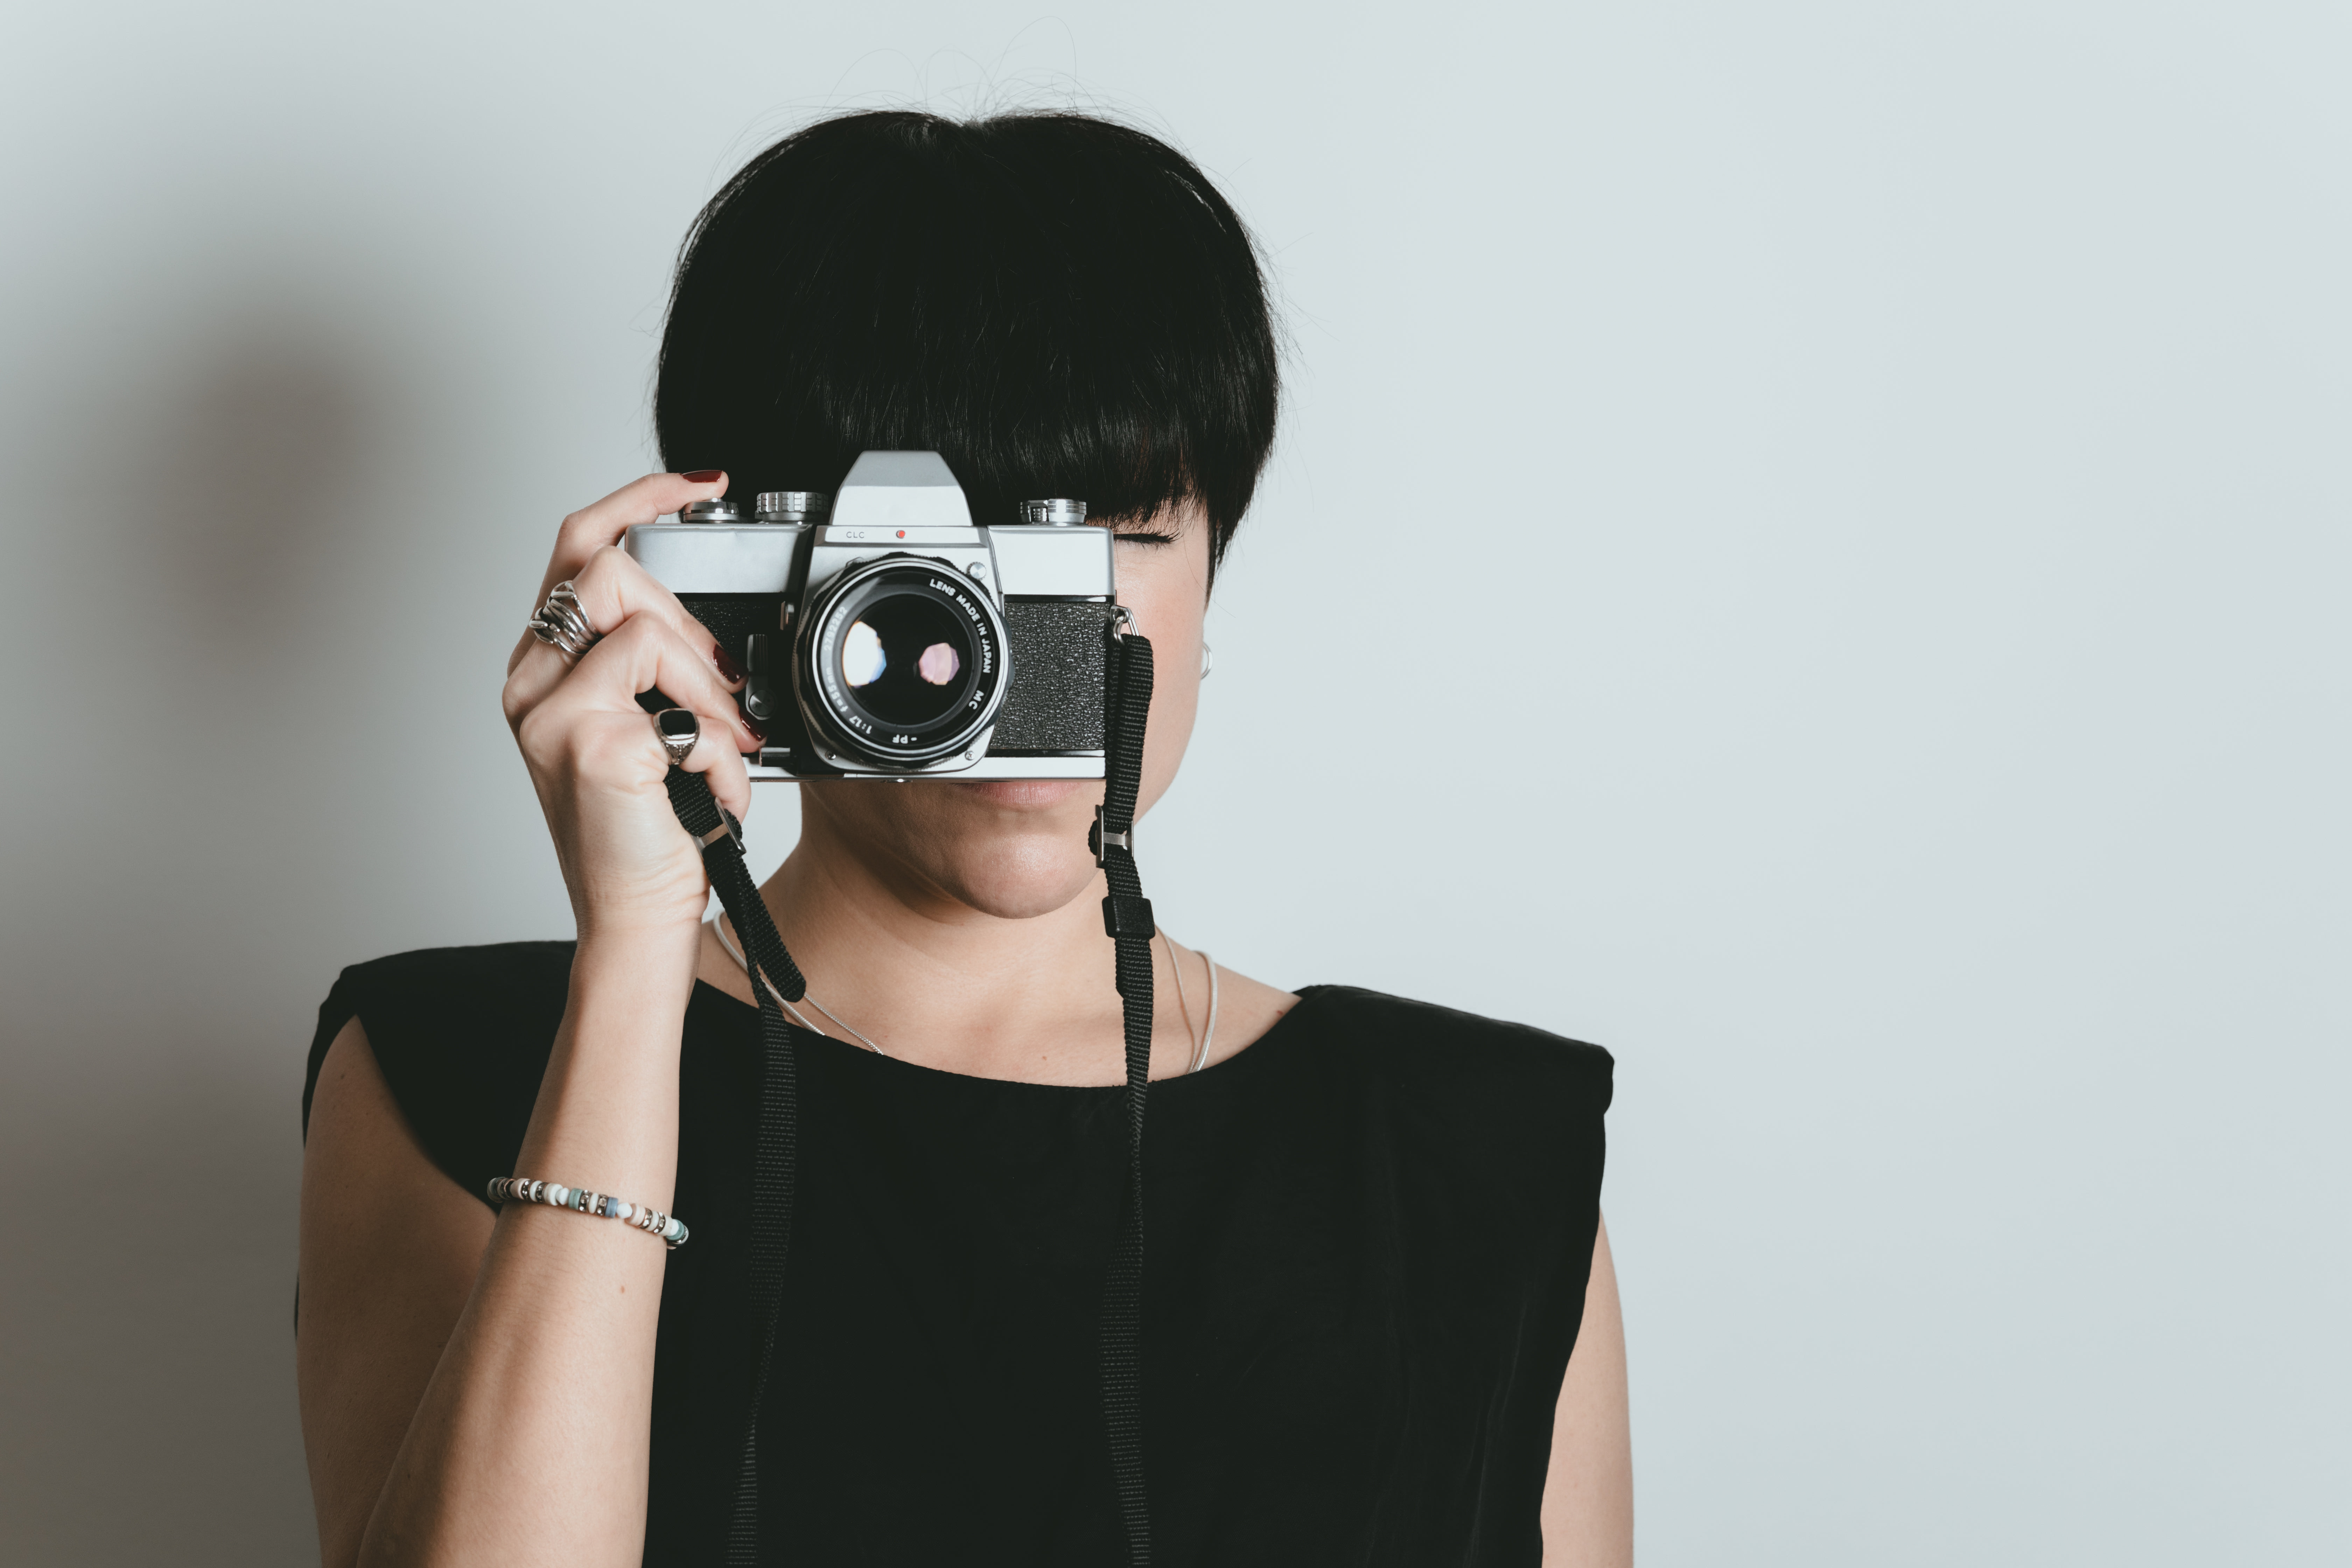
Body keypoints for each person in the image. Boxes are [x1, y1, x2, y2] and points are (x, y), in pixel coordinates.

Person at [295, 108, 1630, 1568]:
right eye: (941, 569)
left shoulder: (1469, 1151)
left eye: (1101, 531)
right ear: (749, 589)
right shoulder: (456, 1069)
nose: (989, 645)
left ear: (1209, 580)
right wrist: (635, 950)